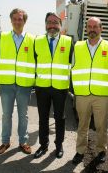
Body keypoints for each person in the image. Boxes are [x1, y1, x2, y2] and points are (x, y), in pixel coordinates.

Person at [71, 17, 108, 164]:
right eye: (89, 26)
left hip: (103, 95)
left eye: (95, 26)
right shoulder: (78, 46)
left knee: (101, 126)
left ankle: (101, 150)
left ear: (101, 29)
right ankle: (80, 151)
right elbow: (72, 67)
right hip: (82, 94)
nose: (92, 29)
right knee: (82, 125)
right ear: (86, 29)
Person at [0, 8, 35, 155]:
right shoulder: (3, 37)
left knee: (23, 115)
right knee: (6, 114)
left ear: (24, 21)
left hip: (24, 84)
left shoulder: (32, 39)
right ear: (11, 20)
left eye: (20, 19)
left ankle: (23, 142)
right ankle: (5, 141)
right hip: (6, 83)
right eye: (15, 19)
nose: (18, 22)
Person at [33, 12, 73, 159]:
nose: (52, 25)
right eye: (49, 22)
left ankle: (59, 145)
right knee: (42, 118)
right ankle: (43, 145)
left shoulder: (68, 42)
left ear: (60, 26)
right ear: (45, 24)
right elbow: (33, 63)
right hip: (42, 87)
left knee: (59, 118)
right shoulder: (37, 41)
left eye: (55, 22)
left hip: (60, 87)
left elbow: (73, 65)